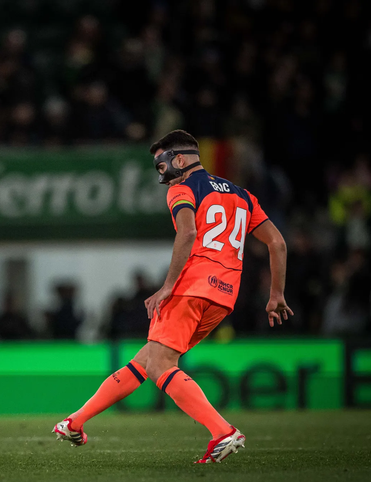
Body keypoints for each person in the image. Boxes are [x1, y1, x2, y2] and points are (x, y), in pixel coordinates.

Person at [54, 130, 293, 463]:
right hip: (223, 296)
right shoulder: (243, 196)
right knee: (147, 361)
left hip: (191, 287)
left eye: (161, 163)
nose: (161, 171)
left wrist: (168, 285)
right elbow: (277, 243)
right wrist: (276, 294)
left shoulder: (182, 190)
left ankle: (223, 431)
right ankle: (74, 422)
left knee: (161, 364)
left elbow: (189, 231)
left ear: (180, 159)